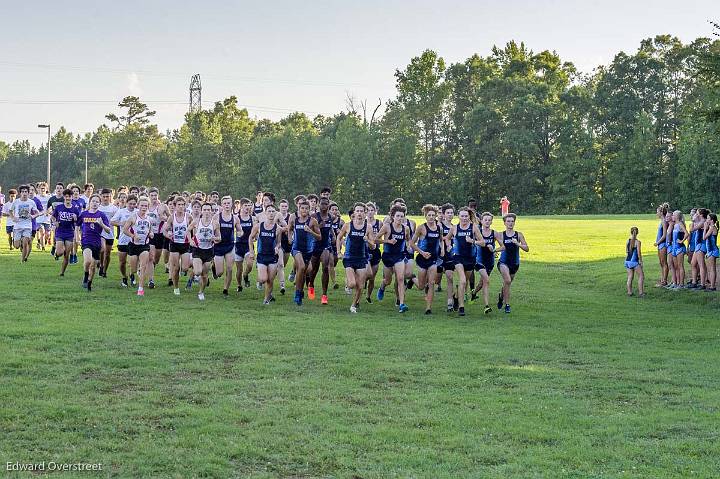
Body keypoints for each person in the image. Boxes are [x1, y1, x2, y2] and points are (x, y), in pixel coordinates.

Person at [336, 202, 374, 313]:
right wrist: (339, 252)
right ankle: (347, 283)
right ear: (354, 212)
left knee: (360, 286)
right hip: (349, 258)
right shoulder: (348, 225)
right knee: (352, 284)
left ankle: (353, 305)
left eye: (361, 211)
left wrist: (368, 241)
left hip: (361, 258)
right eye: (357, 211)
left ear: (365, 213)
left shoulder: (368, 227)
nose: (359, 213)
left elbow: (373, 245)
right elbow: (339, 238)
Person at [375, 204, 411, 313]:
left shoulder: (406, 228)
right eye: (398, 216)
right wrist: (388, 241)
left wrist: (409, 246)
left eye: (402, 216)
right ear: (393, 216)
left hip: (399, 256)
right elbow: (376, 239)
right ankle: (382, 287)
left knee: (400, 279)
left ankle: (401, 304)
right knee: (388, 280)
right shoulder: (387, 227)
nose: (400, 218)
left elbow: (408, 239)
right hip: (387, 256)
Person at [409, 204, 444, 314]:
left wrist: (442, 249)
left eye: (433, 215)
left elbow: (441, 240)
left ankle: (428, 308)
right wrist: (422, 253)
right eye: (429, 215)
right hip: (422, 259)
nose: (431, 217)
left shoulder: (439, 228)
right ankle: (412, 278)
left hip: (433, 259)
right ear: (425, 216)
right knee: (421, 286)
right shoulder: (421, 228)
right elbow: (411, 243)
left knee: (432, 283)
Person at [447, 207, 481, 316]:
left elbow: (483, 242)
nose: (464, 218)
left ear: (469, 216)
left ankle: (456, 297)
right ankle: (461, 307)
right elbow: (447, 238)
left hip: (470, 258)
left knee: (464, 282)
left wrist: (472, 241)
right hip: (458, 257)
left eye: (466, 216)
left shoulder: (473, 227)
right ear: (459, 216)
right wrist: (448, 246)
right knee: (462, 281)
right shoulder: (455, 228)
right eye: (462, 216)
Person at [248, 203, 284, 304]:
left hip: (272, 257)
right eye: (269, 211)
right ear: (265, 213)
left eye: (273, 211)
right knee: (264, 279)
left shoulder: (278, 228)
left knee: (270, 280)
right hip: (261, 256)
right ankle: (260, 281)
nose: (271, 213)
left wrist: (277, 247)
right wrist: (251, 251)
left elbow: (279, 242)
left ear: (276, 213)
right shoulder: (259, 226)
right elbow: (250, 237)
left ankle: (266, 299)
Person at [288, 199, 321, 305]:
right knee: (301, 267)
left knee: (303, 272)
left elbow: (319, 237)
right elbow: (289, 229)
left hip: (308, 250)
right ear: (299, 208)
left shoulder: (312, 221)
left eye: (306, 208)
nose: (304, 210)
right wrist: (290, 238)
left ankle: (300, 290)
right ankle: (297, 294)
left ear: (309, 209)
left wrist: (310, 231)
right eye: (302, 208)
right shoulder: (294, 219)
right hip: (296, 248)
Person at [77, 194, 111, 292]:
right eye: (93, 201)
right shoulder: (84, 214)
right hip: (86, 240)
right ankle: (85, 275)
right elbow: (77, 225)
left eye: (97, 202)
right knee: (87, 261)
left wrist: (101, 224)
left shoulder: (101, 215)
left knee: (93, 265)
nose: (95, 203)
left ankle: (89, 283)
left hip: (97, 242)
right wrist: (77, 237)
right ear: (89, 202)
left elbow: (108, 230)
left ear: (99, 204)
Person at [471, 212, 503, 314]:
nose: (487, 222)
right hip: (478, 259)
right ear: (481, 221)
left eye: (489, 220)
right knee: (486, 280)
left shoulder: (495, 233)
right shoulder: (477, 231)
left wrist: (494, 250)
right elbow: (470, 242)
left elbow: (503, 246)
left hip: (490, 261)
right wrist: (477, 244)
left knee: (481, 283)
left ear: (492, 221)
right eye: (485, 220)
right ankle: (486, 306)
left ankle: (474, 293)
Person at [496, 213, 529, 314]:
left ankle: (501, 297)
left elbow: (527, 248)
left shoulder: (519, 235)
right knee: (508, 281)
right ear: (504, 223)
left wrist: (517, 243)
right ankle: (507, 305)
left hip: (514, 263)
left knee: (507, 283)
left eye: (512, 221)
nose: (510, 223)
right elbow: (491, 243)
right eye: (508, 221)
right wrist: (493, 251)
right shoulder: (501, 234)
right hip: (503, 262)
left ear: (514, 222)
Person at [123, 196, 154, 296]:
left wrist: (151, 234)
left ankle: (140, 289)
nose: (144, 207)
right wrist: (132, 235)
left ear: (148, 207)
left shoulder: (149, 218)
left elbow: (150, 230)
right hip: (133, 245)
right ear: (138, 206)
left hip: (144, 245)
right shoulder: (133, 217)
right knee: (133, 268)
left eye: (146, 206)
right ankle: (132, 273)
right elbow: (125, 230)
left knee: (143, 266)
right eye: (142, 205)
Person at [189, 203, 220, 301]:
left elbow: (219, 238)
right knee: (198, 271)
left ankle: (201, 292)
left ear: (211, 211)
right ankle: (193, 275)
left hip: (209, 251)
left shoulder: (215, 223)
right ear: (202, 211)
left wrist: (215, 238)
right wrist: (190, 240)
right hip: (198, 249)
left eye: (208, 210)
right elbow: (187, 231)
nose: (207, 212)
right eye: (205, 210)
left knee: (205, 275)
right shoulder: (196, 221)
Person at [213, 196, 243, 297]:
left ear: (232, 204)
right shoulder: (217, 217)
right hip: (218, 246)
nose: (226, 205)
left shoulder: (235, 218)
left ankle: (225, 289)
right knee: (219, 273)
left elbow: (240, 230)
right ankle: (214, 267)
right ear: (222, 205)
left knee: (230, 269)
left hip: (230, 246)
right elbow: (211, 230)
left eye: (228, 203)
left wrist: (240, 233)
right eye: (225, 203)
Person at [163, 196, 192, 295]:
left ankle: (182, 264)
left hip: (185, 244)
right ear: (175, 206)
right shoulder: (172, 217)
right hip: (174, 244)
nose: (181, 206)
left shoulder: (188, 216)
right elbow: (165, 231)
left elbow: (194, 227)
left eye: (183, 205)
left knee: (185, 268)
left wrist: (193, 238)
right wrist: (168, 235)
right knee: (175, 268)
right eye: (179, 205)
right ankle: (176, 287)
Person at [307, 197, 334, 305]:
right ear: (319, 205)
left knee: (325, 268)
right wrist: (319, 226)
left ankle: (324, 295)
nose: (324, 206)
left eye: (326, 204)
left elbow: (330, 228)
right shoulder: (314, 216)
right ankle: (311, 284)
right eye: (322, 204)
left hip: (325, 245)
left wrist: (333, 235)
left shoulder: (330, 217)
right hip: (315, 245)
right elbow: (308, 230)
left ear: (328, 205)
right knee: (313, 270)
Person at [50, 189, 79, 276]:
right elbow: (52, 217)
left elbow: (78, 223)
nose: (68, 198)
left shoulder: (75, 209)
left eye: (69, 197)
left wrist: (75, 219)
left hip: (70, 233)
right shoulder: (59, 207)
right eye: (66, 197)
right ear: (64, 197)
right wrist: (55, 223)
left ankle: (62, 272)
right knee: (60, 252)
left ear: (72, 197)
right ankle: (56, 253)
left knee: (66, 255)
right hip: (60, 232)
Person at [111, 195, 138, 288]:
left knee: (132, 262)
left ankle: (132, 274)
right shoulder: (121, 211)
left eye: (134, 204)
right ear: (126, 203)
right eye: (130, 204)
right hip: (123, 240)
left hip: (134, 240)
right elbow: (112, 221)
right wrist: (120, 223)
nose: (132, 205)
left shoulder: (137, 212)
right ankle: (124, 277)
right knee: (122, 262)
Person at [9, 184, 40, 262]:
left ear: (28, 193)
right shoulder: (16, 202)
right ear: (20, 193)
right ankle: (17, 240)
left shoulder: (31, 202)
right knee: (16, 246)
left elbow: (37, 212)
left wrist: (33, 216)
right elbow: (10, 211)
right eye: (23, 191)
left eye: (26, 191)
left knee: (25, 243)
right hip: (17, 226)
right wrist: (13, 218)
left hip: (27, 226)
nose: (24, 193)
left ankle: (22, 261)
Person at [146, 188, 169, 289]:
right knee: (151, 257)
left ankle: (151, 268)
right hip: (149, 234)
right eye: (152, 195)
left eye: (155, 195)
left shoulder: (163, 206)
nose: (154, 197)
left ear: (158, 196)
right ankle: (151, 280)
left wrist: (163, 218)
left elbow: (171, 218)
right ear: (149, 196)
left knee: (156, 258)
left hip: (160, 234)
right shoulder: (145, 206)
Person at [234, 198, 256, 292]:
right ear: (241, 206)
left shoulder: (253, 218)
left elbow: (256, 231)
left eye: (249, 205)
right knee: (239, 269)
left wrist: (256, 236)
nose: (248, 207)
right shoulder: (236, 217)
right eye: (245, 205)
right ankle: (239, 285)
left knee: (250, 265)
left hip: (248, 246)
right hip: (238, 246)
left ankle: (245, 275)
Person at [97, 188, 118, 277]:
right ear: (101, 196)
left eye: (107, 196)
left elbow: (117, 220)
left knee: (108, 254)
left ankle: (104, 270)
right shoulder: (97, 206)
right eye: (104, 196)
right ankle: (101, 265)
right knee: (102, 250)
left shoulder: (114, 208)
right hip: (99, 232)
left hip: (110, 233)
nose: (105, 198)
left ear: (110, 197)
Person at [364, 202, 382, 303]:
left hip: (375, 250)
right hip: (365, 251)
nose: (370, 212)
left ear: (375, 211)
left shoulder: (379, 223)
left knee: (372, 276)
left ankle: (368, 296)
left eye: (372, 210)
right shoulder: (363, 223)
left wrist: (375, 238)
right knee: (366, 274)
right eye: (368, 210)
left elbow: (382, 239)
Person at [689, 209, 709, 289]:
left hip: (701, 245)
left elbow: (692, 229)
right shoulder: (701, 221)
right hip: (698, 245)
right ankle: (694, 282)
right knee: (693, 263)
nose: (696, 215)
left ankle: (702, 284)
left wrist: (694, 220)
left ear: (701, 215)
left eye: (697, 213)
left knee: (701, 265)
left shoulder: (703, 221)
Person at [669, 210, 688, 289]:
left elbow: (687, 233)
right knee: (676, 266)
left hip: (679, 248)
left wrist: (682, 241)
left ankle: (681, 284)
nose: (672, 216)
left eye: (673, 215)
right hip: (674, 248)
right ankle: (676, 283)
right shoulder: (675, 224)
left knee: (680, 266)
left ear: (677, 216)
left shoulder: (680, 224)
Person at [624, 227, 645, 297]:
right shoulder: (638, 242)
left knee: (630, 277)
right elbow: (639, 253)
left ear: (631, 232)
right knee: (641, 276)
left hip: (627, 261)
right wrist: (641, 261)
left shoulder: (627, 241)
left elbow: (627, 251)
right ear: (637, 233)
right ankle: (641, 293)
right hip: (634, 262)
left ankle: (629, 292)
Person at [653, 203, 669, 287]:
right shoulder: (661, 221)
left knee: (664, 262)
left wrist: (657, 242)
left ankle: (664, 281)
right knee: (661, 263)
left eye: (657, 212)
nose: (656, 213)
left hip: (663, 244)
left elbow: (664, 235)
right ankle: (662, 279)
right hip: (660, 245)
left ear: (661, 212)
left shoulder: (664, 222)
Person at [703, 213, 718, 292]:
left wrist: (705, 228)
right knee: (710, 268)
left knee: (712, 269)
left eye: (708, 218)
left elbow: (704, 237)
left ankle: (712, 286)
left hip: (712, 250)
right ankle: (711, 285)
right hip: (710, 251)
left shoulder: (712, 228)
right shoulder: (711, 227)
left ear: (712, 220)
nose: (707, 220)